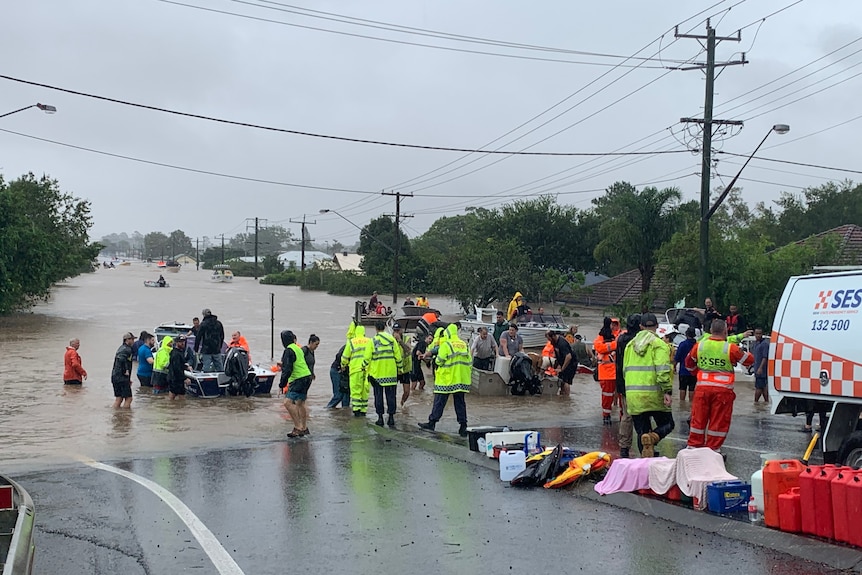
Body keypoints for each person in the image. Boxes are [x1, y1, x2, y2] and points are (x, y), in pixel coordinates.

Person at [685, 319, 754, 452]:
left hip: (702, 389)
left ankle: (693, 447)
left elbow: (688, 364)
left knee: (698, 419)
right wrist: (743, 351)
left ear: (711, 331)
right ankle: (713, 449)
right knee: (719, 421)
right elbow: (749, 360)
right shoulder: (730, 348)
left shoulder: (700, 346)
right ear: (725, 331)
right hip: (722, 392)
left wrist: (698, 374)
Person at [623, 313, 675, 458]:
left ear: (641, 327)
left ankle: (645, 462)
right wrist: (667, 391)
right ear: (657, 326)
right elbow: (663, 369)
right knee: (668, 424)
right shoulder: (659, 345)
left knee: (642, 432)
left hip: (634, 396)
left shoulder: (629, 345)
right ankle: (653, 438)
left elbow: (624, 370)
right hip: (654, 395)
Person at [419, 324, 470, 436]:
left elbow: (439, 360)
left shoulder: (446, 345)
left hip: (447, 379)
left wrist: (433, 359)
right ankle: (463, 426)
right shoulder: (464, 344)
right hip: (461, 380)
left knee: (439, 402)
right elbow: (470, 362)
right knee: (460, 403)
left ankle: (432, 422)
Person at [364, 320, 403, 427]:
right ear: (385, 328)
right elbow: (398, 356)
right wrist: (400, 369)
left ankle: (380, 418)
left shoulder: (373, 341)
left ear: (376, 329)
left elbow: (367, 358)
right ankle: (391, 418)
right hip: (391, 374)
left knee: (378, 396)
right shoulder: (391, 340)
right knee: (391, 396)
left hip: (377, 375)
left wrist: (362, 367)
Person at [614, 314, 641, 458]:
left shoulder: (621, 339)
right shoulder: (639, 341)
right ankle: (644, 445)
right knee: (642, 415)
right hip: (639, 383)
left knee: (626, 415)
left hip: (623, 383)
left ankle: (624, 448)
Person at [279, 330, 313, 437]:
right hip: (307, 377)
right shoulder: (298, 348)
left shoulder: (288, 351)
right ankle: (304, 427)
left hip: (298, 379)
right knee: (300, 403)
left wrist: (282, 384)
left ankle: (298, 427)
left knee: (287, 402)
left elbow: (287, 369)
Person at [342, 325, 371, 417]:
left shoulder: (352, 342)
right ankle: (363, 410)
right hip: (367, 370)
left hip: (355, 369)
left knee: (355, 390)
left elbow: (345, 357)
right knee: (365, 390)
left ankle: (356, 410)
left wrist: (343, 365)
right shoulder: (369, 341)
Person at [594, 317, 618, 425]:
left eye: (615, 324)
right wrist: (614, 345)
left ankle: (622, 416)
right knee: (607, 395)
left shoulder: (618, 336)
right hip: (606, 372)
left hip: (617, 371)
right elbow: (599, 348)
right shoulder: (600, 337)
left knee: (619, 395)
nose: (613, 326)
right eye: (612, 324)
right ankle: (606, 416)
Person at [547, 331, 576, 396]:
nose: (549, 341)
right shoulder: (554, 342)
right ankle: (562, 396)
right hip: (563, 362)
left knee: (566, 381)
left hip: (571, 363)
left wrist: (562, 369)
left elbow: (568, 357)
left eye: (549, 339)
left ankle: (566, 398)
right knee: (561, 380)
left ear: (553, 336)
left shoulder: (562, 343)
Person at [111, 332, 135, 408]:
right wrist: (126, 371)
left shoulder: (121, 348)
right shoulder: (127, 349)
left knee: (119, 398)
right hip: (122, 377)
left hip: (115, 376)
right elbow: (122, 359)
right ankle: (125, 417)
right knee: (129, 398)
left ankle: (116, 415)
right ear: (127, 340)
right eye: (132, 339)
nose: (133, 341)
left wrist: (128, 378)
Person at [674, 328, 697, 401]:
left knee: (682, 388)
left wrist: (674, 367)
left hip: (683, 371)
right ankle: (691, 404)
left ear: (686, 334)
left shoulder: (682, 344)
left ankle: (682, 404)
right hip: (694, 372)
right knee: (692, 388)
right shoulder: (697, 345)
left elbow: (677, 358)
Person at [392, 324, 413, 407]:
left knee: (407, 391)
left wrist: (400, 341)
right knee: (392, 391)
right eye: (395, 330)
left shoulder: (406, 339)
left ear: (401, 330)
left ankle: (402, 403)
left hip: (405, 369)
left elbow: (408, 350)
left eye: (398, 330)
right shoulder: (391, 340)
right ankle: (393, 406)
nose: (396, 332)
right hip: (395, 369)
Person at [325, 342, 350, 409]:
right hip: (337, 370)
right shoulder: (348, 346)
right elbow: (338, 356)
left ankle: (345, 412)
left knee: (346, 394)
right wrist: (342, 366)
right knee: (339, 395)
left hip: (346, 373)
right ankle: (328, 409)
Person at [167, 334, 190, 400]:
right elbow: (176, 368)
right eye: (180, 342)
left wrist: (186, 367)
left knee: (172, 397)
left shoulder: (178, 352)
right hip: (175, 379)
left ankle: (171, 408)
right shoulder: (176, 354)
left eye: (183, 341)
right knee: (181, 399)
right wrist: (185, 378)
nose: (183, 343)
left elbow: (179, 364)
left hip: (174, 378)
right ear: (176, 343)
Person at [752, 328, 770, 403]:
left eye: (759, 333)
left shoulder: (764, 344)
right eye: (757, 333)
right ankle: (766, 402)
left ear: (762, 334)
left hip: (762, 370)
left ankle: (755, 402)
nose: (758, 335)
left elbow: (765, 357)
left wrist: (760, 368)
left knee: (759, 387)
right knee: (763, 387)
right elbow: (754, 356)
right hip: (757, 368)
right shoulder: (756, 344)